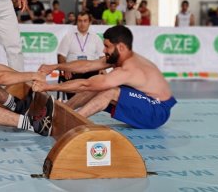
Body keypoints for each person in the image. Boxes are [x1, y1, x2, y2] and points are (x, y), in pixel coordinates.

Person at [35, 25, 177, 129]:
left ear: (120, 47)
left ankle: (68, 124)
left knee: (107, 90)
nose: (103, 50)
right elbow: (87, 66)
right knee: (99, 85)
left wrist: (49, 86)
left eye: (107, 46)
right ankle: (59, 114)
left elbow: (86, 84)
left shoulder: (129, 69)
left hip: (157, 111)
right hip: (147, 100)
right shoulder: (120, 56)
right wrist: (56, 66)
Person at [57, 12, 104, 99]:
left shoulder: (96, 37)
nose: (82, 24)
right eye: (80, 21)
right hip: (73, 70)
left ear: (89, 22)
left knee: (100, 79)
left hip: (91, 69)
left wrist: (102, 69)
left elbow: (102, 56)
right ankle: (73, 105)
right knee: (71, 82)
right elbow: (61, 56)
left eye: (85, 21)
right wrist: (66, 69)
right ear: (76, 22)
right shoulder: (68, 36)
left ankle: (90, 104)